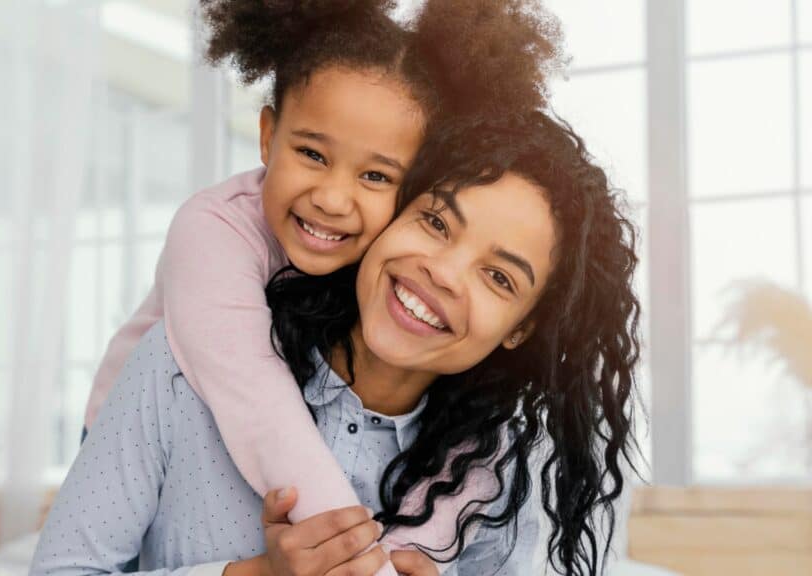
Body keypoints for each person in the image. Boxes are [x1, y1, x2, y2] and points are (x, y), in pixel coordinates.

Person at [32, 112, 643, 576]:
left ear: (520, 327)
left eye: (499, 277)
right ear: (393, 214)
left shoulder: (494, 481)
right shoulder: (181, 366)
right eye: (435, 221)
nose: (444, 274)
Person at [79, 1, 562, 573]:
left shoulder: (494, 465)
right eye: (312, 153)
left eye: (377, 176)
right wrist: (363, 566)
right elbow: (256, 399)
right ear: (266, 137)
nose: (333, 199)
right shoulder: (212, 231)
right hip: (139, 418)